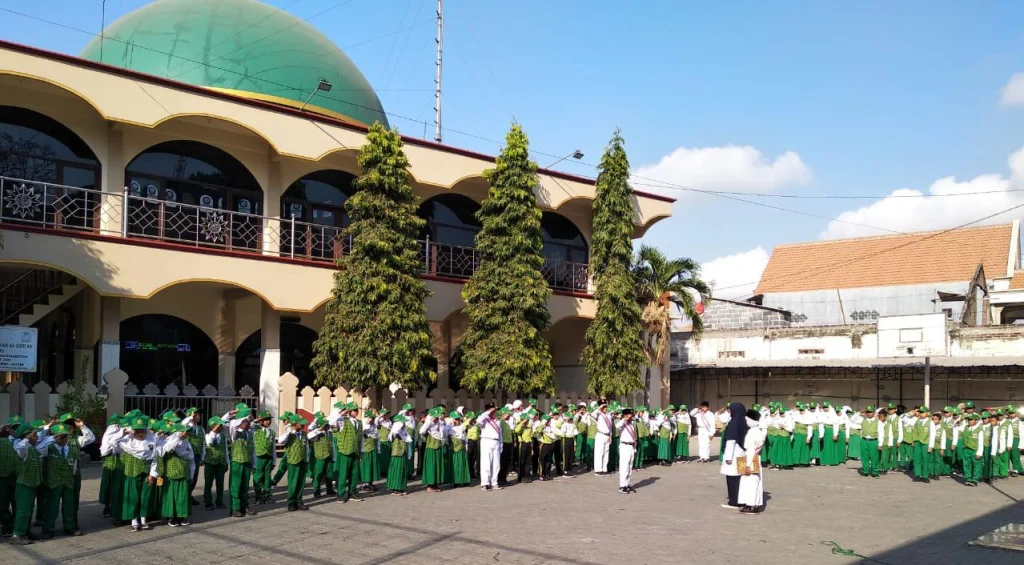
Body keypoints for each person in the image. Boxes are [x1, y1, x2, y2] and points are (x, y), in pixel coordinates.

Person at [223, 407, 257, 518]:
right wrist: (231, 413)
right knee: (236, 486)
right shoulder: (234, 432)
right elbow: (225, 421)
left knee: (245, 486)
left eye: (248, 422)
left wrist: (254, 464)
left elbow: (253, 450)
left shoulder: (250, 433)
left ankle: (244, 506)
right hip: (237, 462)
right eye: (245, 422)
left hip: (247, 462)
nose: (248, 423)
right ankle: (235, 508)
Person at [159, 423, 194, 527]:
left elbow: (191, 458)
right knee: (171, 495)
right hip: (171, 473)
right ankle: (171, 517)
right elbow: (167, 449)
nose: (185, 433)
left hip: (183, 473)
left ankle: (181, 516)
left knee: (183, 496)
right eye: (183, 431)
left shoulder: (187, 443)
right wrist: (178, 438)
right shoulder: (169, 441)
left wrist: (192, 473)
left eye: (186, 432)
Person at [278, 413, 309, 511]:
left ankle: (299, 501)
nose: (303, 425)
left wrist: (307, 459)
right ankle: (291, 502)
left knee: (301, 483)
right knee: (293, 483)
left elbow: (307, 447)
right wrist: (290, 431)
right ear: (294, 423)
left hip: (302, 460)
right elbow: (280, 440)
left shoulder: (304, 434)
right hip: (293, 461)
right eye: (301, 423)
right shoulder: (289, 434)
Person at [720, 402, 748, 509]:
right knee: (741, 478)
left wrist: (727, 458)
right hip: (742, 455)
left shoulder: (733, 423)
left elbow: (731, 442)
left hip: (733, 456)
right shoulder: (744, 423)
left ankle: (734, 501)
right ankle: (742, 499)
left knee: (732, 479)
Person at [737, 409, 765, 514]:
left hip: (750, 458)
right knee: (752, 481)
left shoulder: (752, 433)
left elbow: (750, 449)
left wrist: (747, 465)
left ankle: (751, 505)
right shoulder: (758, 431)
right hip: (755, 458)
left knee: (750, 482)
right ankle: (750, 504)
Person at [202, 416, 228, 510]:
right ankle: (208, 502)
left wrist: (226, 462)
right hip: (210, 462)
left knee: (220, 483)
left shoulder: (223, 436)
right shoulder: (208, 435)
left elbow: (225, 449)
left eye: (221, 425)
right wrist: (213, 432)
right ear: (212, 426)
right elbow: (209, 443)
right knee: (208, 483)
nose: (220, 427)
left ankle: (219, 501)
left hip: (220, 463)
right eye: (218, 425)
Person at [251, 411, 276, 505]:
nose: (268, 422)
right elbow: (251, 424)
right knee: (258, 477)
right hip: (258, 457)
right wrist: (257, 420)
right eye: (265, 420)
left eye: (269, 420)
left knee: (267, 477)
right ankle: (258, 496)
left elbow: (273, 447)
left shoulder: (272, 433)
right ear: (261, 421)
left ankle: (267, 495)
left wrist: (274, 461)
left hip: (268, 457)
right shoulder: (255, 430)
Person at [477, 403, 503, 491]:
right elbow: (478, 420)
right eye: (493, 410)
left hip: (496, 442)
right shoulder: (484, 419)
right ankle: (485, 483)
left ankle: (494, 482)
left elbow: (500, 434)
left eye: (495, 410)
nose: (495, 412)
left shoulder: (497, 421)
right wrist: (488, 412)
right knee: (486, 463)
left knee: (496, 464)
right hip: (486, 441)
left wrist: (501, 444)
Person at [386, 415, 410, 495]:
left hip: (403, 452)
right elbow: (395, 431)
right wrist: (398, 424)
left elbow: (408, 440)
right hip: (397, 454)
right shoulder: (394, 431)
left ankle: (401, 487)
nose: (404, 424)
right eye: (402, 422)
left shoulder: (403, 431)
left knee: (402, 470)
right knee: (397, 470)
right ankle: (395, 488)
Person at [617, 408, 638, 494]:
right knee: (624, 466)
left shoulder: (631, 425)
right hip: (624, 446)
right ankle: (622, 486)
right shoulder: (623, 424)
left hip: (631, 446)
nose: (631, 417)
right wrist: (624, 418)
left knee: (630, 466)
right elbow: (617, 426)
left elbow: (633, 437)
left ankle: (627, 484)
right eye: (630, 415)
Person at [593, 401, 614, 475]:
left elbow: (610, 427)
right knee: (599, 452)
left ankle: (604, 468)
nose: (605, 408)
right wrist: (599, 408)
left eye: (606, 407)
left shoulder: (608, 415)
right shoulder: (598, 414)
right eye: (603, 407)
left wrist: (610, 436)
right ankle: (598, 470)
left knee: (606, 452)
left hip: (607, 435)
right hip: (600, 434)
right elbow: (593, 414)